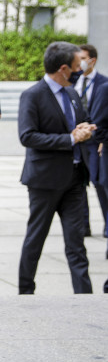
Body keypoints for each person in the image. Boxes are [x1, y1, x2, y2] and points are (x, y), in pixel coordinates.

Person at [17, 42, 94, 294]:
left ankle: (84, 295)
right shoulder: (33, 95)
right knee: (35, 240)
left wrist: (84, 130)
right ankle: (25, 292)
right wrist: (70, 139)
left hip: (74, 179)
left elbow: (76, 125)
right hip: (44, 181)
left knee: (76, 243)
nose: (79, 70)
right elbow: (27, 136)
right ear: (62, 69)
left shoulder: (72, 93)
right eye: (76, 66)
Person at [75, 44, 107, 237]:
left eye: (83, 58)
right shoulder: (72, 81)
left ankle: (107, 224)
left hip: (95, 141)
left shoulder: (103, 83)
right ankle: (84, 225)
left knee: (99, 182)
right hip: (76, 141)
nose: (80, 63)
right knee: (79, 185)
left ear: (92, 60)